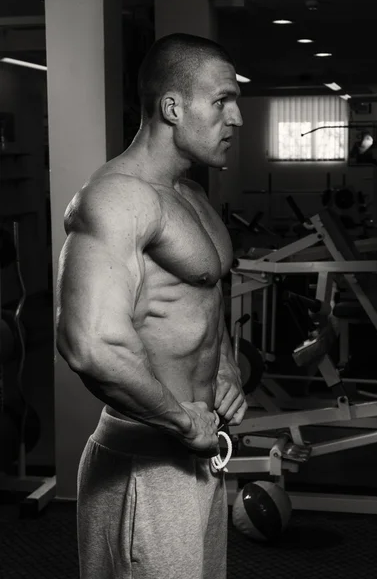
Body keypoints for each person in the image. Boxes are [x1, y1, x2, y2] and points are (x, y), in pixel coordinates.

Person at [56, 32, 246, 579]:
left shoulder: (190, 196)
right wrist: (180, 422)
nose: (234, 118)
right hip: (144, 464)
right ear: (172, 106)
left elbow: (206, 295)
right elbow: (89, 345)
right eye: (221, 101)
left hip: (198, 458)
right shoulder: (115, 198)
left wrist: (226, 366)